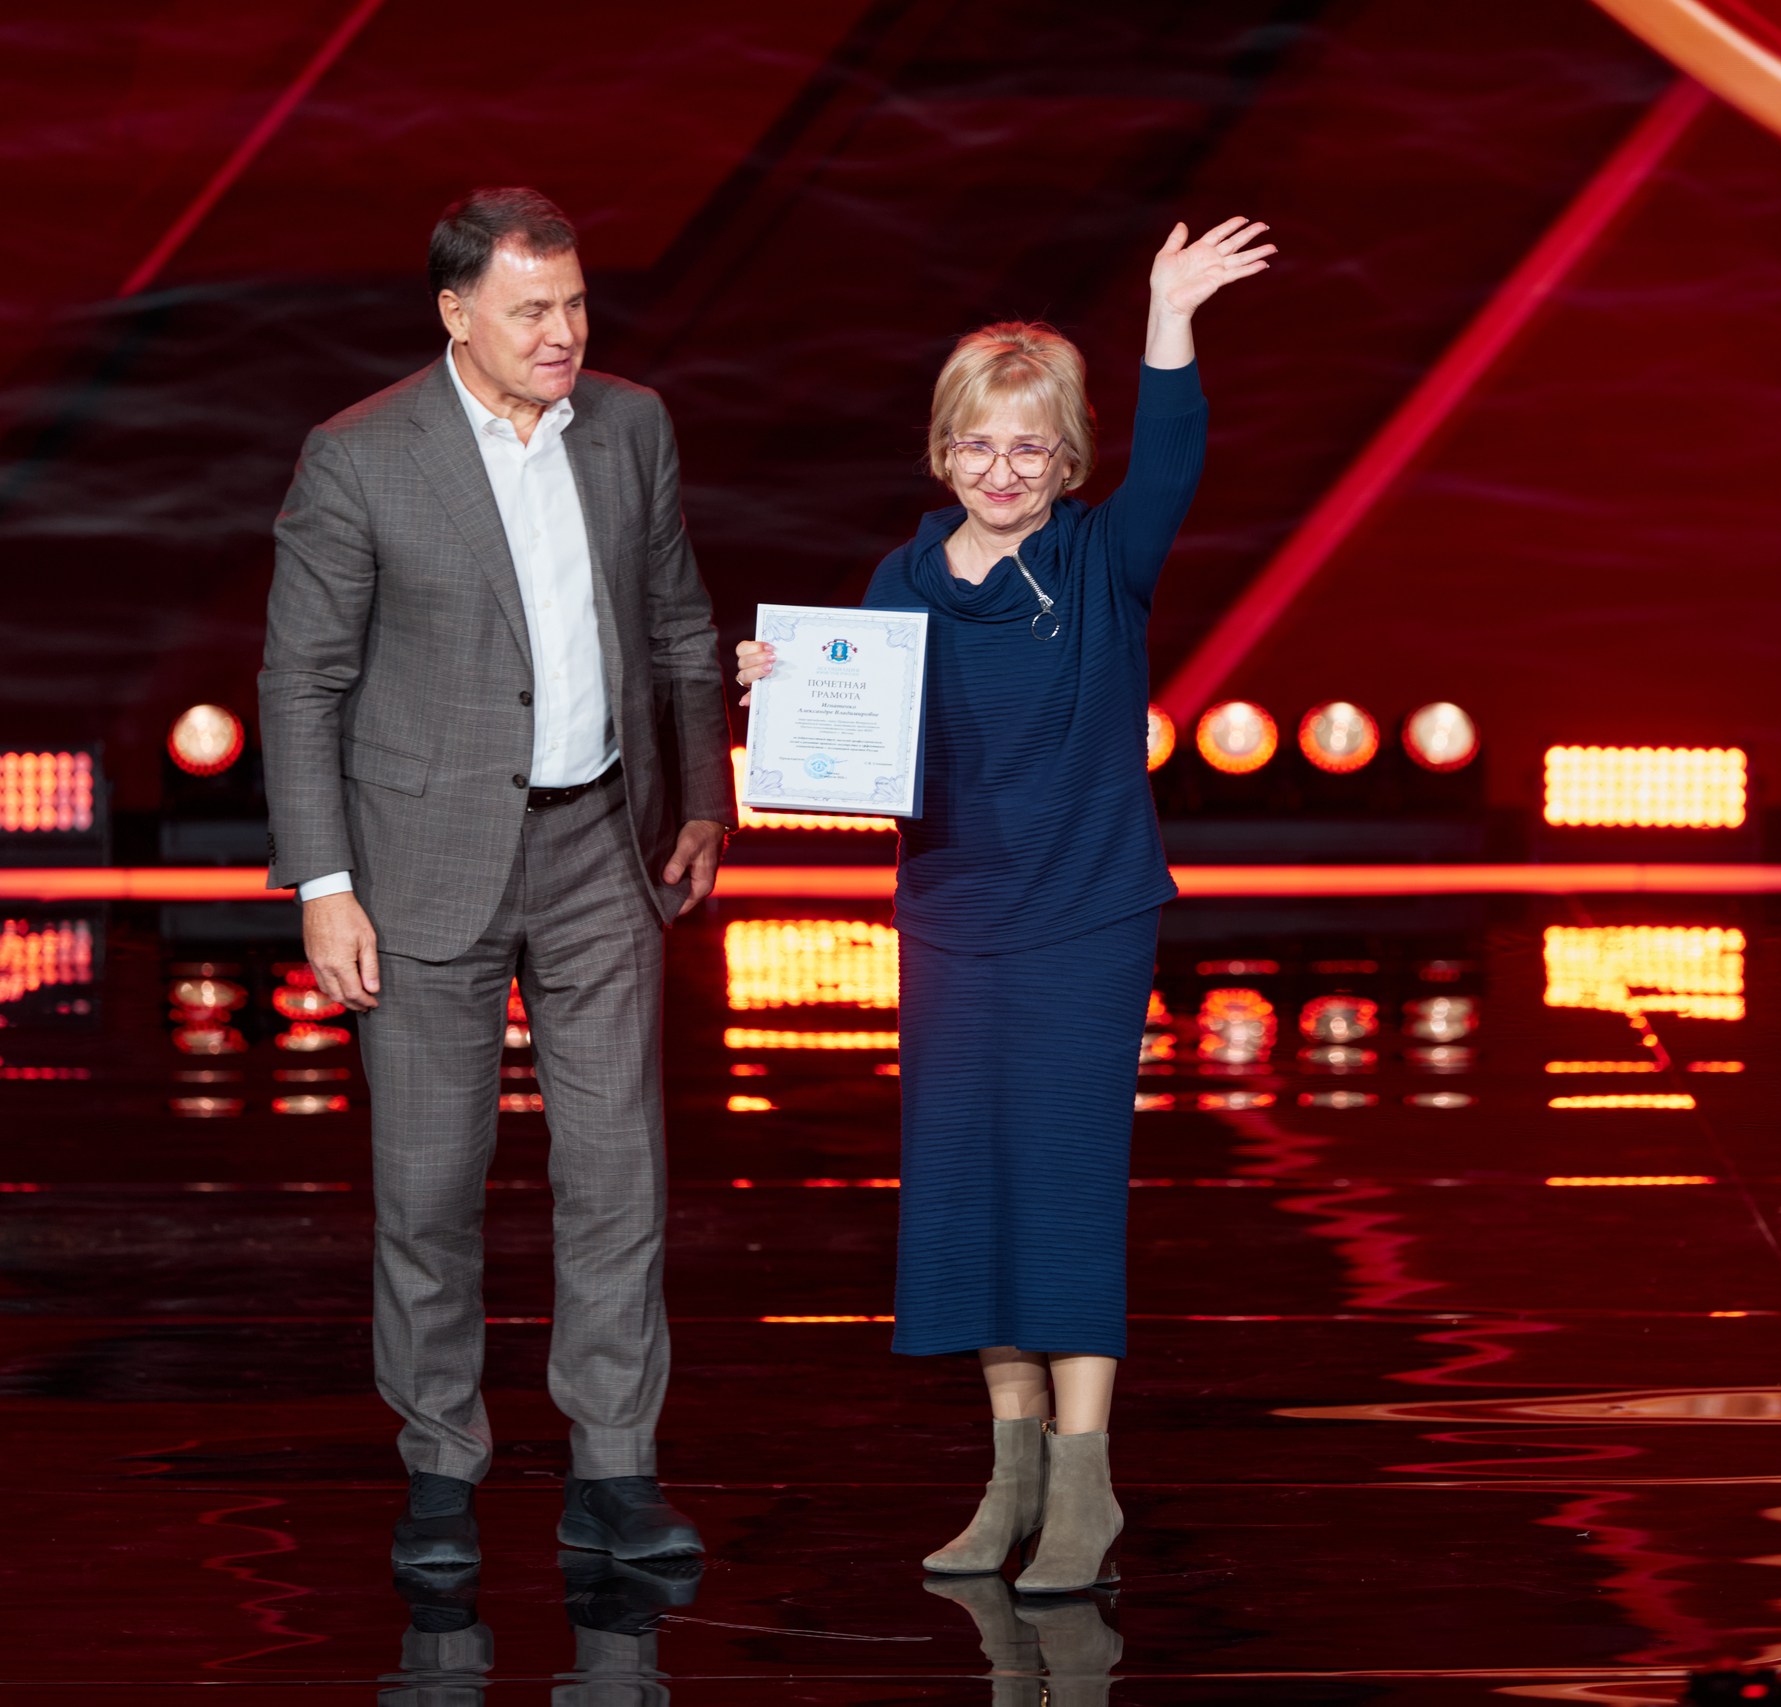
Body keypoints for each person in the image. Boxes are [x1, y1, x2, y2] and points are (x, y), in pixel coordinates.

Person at [737, 216, 1273, 1592]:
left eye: (1029, 449)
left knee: (1066, 1187)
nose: (1001, 470)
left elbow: (1176, 459)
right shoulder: (900, 584)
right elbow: (868, 758)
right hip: (952, 920)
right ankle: (1009, 1478)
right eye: (977, 444)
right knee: (968, 1191)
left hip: (1085, 917)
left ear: (1067, 458)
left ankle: (1085, 1493)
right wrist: (780, 697)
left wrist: (1168, 317)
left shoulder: (1102, 560)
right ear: (942, 450)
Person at [260, 186, 735, 1567]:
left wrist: (702, 798)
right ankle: (439, 1469)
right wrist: (324, 884)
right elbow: (301, 681)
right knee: (426, 1187)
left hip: (601, 844)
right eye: (532, 310)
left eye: (576, 303)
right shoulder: (358, 455)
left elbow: (680, 622)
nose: (563, 332)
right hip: (418, 860)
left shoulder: (633, 426)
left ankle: (614, 1469)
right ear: (455, 313)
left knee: (619, 1175)